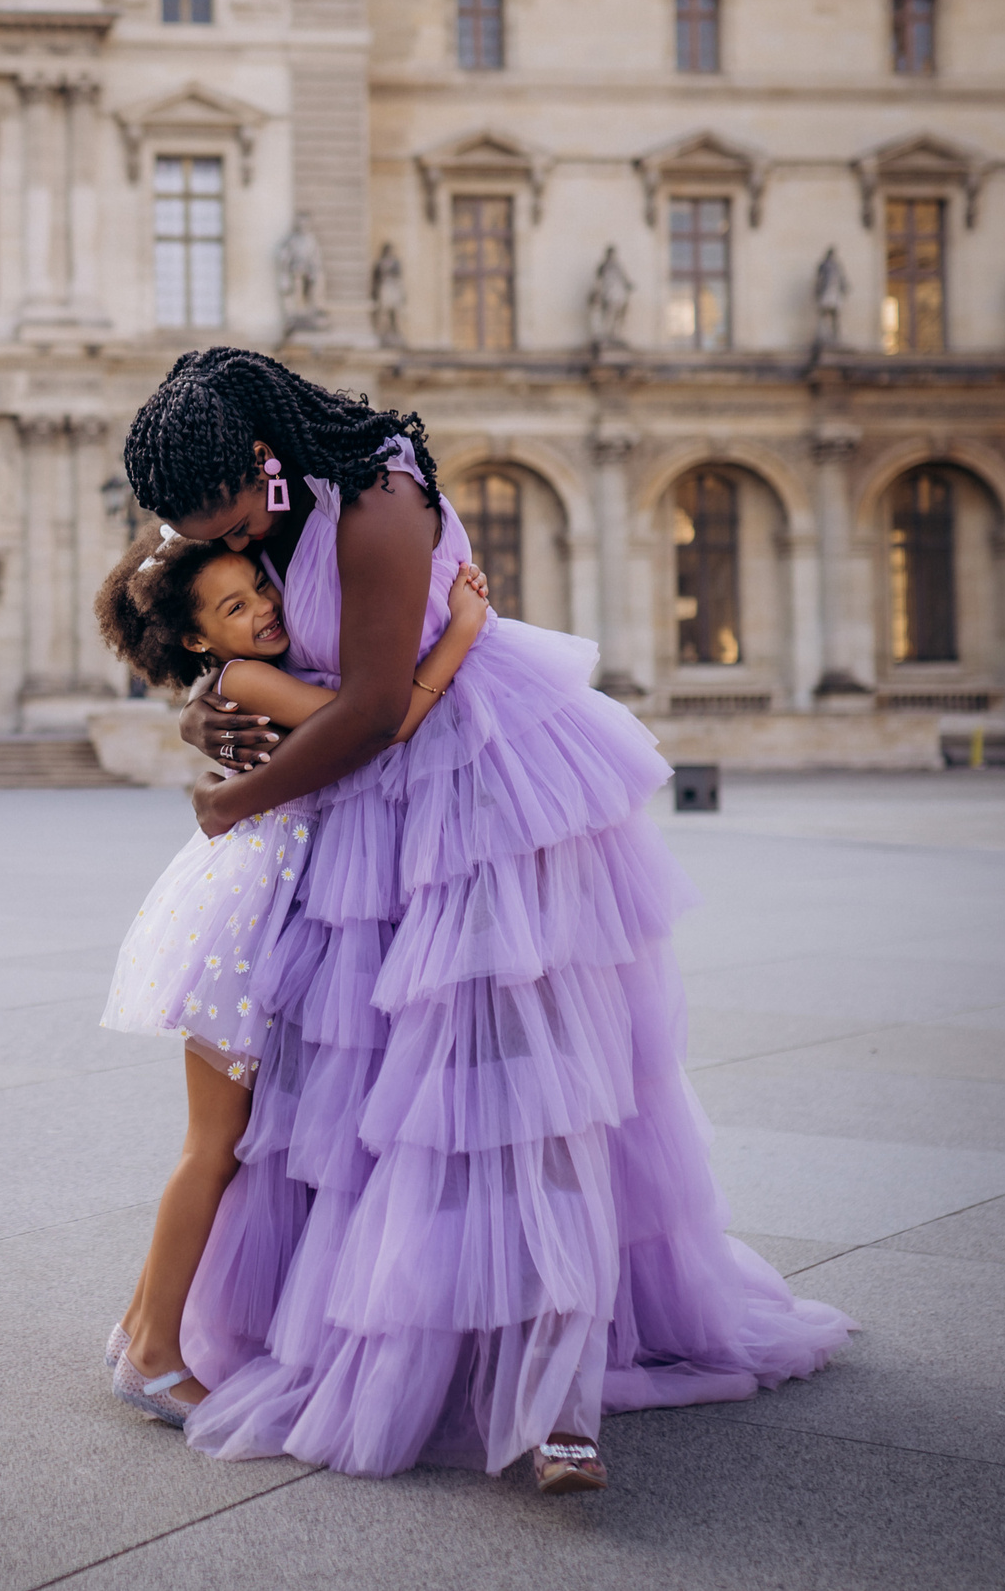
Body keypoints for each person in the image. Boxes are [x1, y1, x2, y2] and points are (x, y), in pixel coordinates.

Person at [115, 346, 852, 1494]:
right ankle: (392, 1335)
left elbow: (366, 711)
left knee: (519, 1092)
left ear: (259, 460)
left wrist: (225, 797)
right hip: (350, 821)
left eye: (233, 526)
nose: (240, 554)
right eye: (214, 538)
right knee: (366, 1104)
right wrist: (205, 709)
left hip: (474, 801)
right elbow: (214, 636)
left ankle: (555, 1403)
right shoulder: (252, 498)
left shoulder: (378, 499)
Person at [91, 527, 491, 1427]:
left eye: (259, 591)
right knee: (214, 1144)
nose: (264, 609)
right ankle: (153, 1354)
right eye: (235, 607)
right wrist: (460, 632)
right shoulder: (244, 680)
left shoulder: (231, 673)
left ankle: (135, 1325)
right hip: (248, 917)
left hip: (262, 903)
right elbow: (378, 723)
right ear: (200, 640)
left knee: (221, 1142)